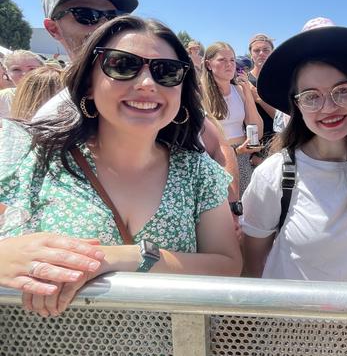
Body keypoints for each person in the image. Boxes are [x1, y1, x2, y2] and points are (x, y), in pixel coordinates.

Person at [0, 16, 242, 317]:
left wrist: (127, 257)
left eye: (166, 72)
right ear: (89, 83)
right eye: (123, 65)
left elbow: (227, 265)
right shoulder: (28, 154)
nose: (146, 83)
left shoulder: (197, 172)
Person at [241, 26, 347, 282]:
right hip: (291, 320)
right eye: (311, 96)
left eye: (342, 91)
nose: (328, 107)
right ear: (297, 106)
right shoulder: (273, 175)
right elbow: (252, 267)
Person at [33, 0, 139, 120]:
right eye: (87, 15)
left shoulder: (158, 89)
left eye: (114, 18)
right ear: (53, 29)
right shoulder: (52, 121)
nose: (104, 25)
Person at [201, 42, 264, 197]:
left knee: (244, 210)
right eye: (222, 60)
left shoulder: (238, 90)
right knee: (225, 210)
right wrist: (235, 151)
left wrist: (248, 93)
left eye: (232, 60)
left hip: (242, 157)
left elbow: (257, 131)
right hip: (216, 159)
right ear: (208, 64)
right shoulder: (199, 93)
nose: (229, 65)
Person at [247, 34, 277, 164]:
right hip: (252, 148)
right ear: (251, 54)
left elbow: (282, 118)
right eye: (257, 50)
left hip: (278, 144)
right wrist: (253, 152)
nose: (261, 54)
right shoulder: (242, 81)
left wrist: (258, 98)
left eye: (266, 50)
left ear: (272, 53)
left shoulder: (280, 80)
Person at [0, 50, 45, 117]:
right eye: (16, 69)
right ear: (7, 72)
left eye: (32, 69)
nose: (24, 74)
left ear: (44, 70)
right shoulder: (3, 97)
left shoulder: (56, 96)